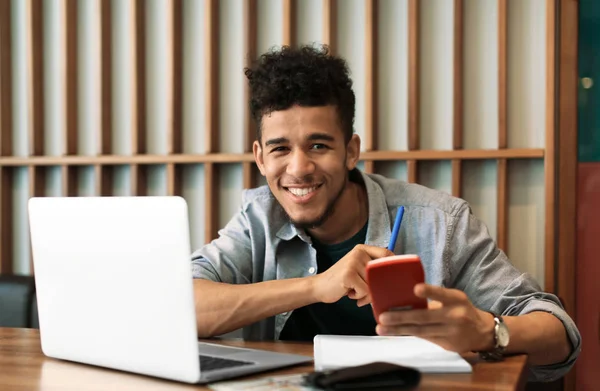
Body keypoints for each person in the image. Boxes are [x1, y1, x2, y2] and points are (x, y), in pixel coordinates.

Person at [191, 44, 580, 382]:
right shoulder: (259, 216)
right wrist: (316, 286)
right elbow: (183, 306)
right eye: (280, 149)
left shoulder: (440, 222)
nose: (298, 168)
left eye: (319, 146)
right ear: (260, 157)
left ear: (351, 151)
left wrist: (485, 331)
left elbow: (559, 333)